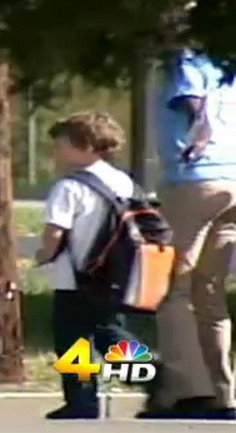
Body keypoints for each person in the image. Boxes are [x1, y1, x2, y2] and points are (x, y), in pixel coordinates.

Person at [139, 49, 236, 419]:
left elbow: (193, 100)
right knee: (209, 292)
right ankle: (222, 391)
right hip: (232, 180)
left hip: (194, 180)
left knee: (172, 286)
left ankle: (187, 391)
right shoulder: (227, 60)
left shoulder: (186, 59)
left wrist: (201, 129)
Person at [35, 112, 139, 419]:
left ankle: (82, 400)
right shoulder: (124, 181)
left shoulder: (69, 187)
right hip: (113, 276)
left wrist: (43, 255)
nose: (58, 152)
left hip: (74, 277)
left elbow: (55, 231)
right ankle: (149, 378)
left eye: (62, 145)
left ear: (86, 145)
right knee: (110, 330)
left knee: (73, 341)